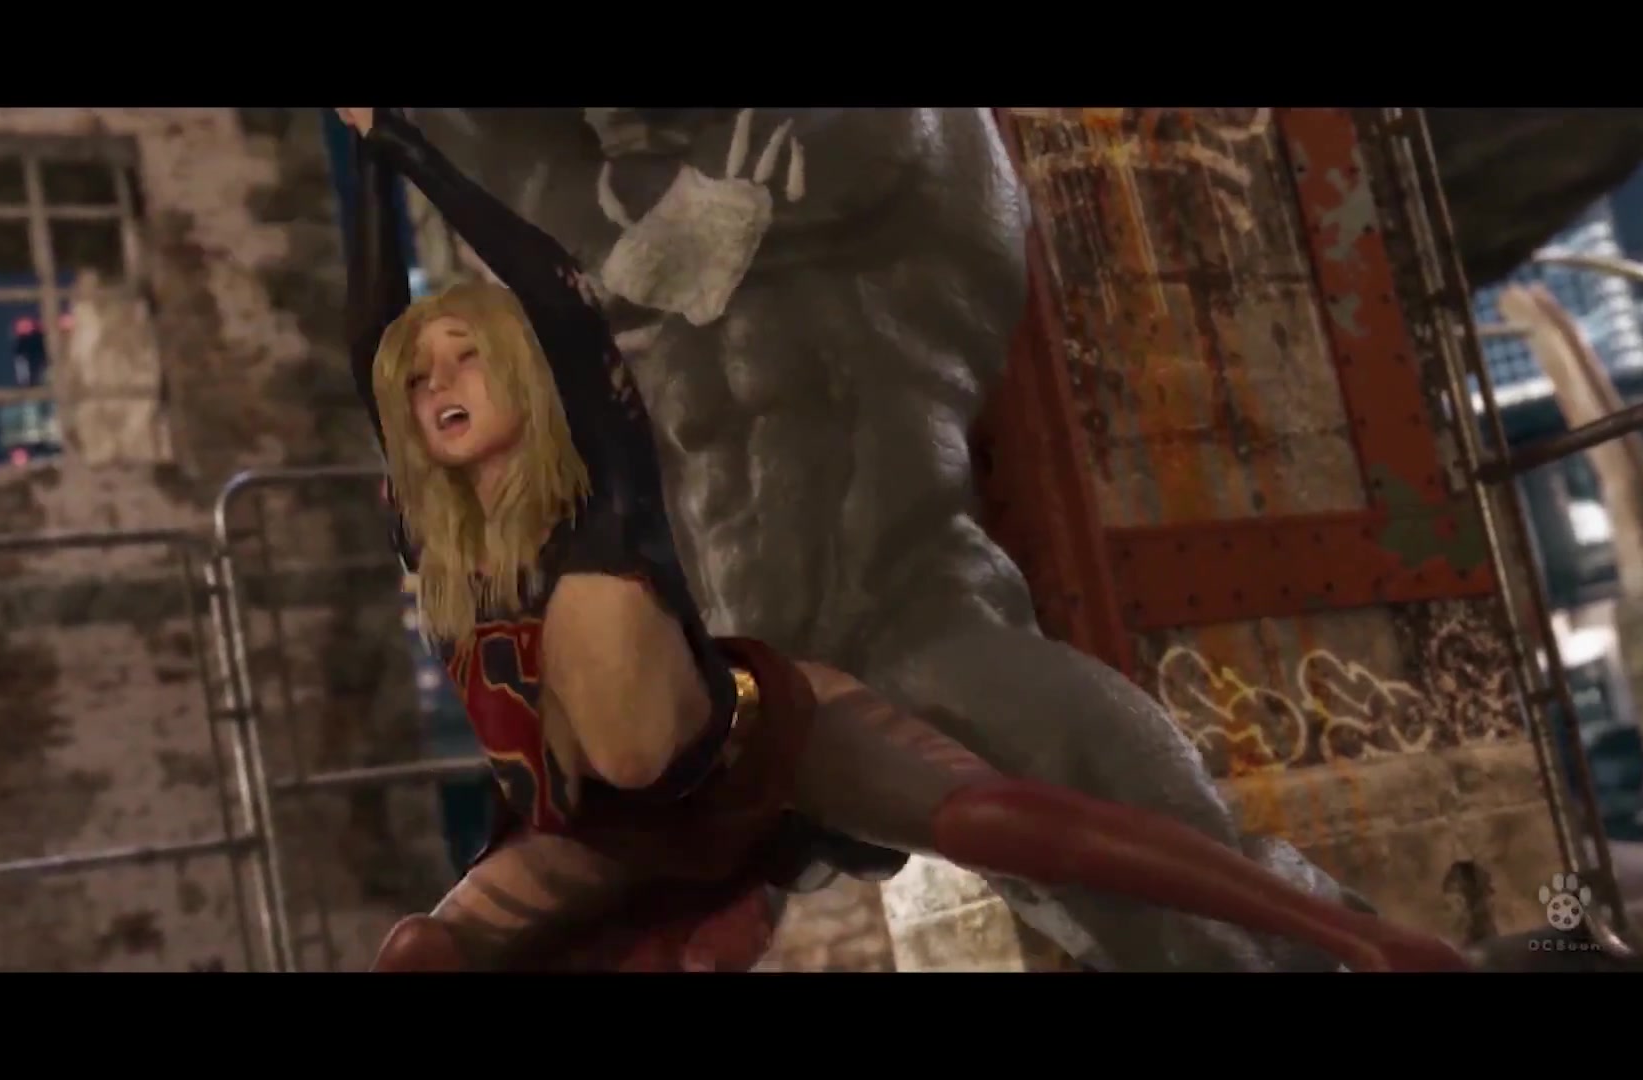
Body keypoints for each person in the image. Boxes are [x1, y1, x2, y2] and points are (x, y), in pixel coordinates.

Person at [340, 106, 1469, 973]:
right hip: (691, 717)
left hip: (875, 620)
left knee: (1087, 822)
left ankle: (1348, 945)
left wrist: (401, 149)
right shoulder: (471, 483)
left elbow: (651, 233)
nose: (442, 386)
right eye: (426, 380)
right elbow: (464, 265)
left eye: (458, 363)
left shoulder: (852, 145)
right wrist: (388, 149)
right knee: (443, 947)